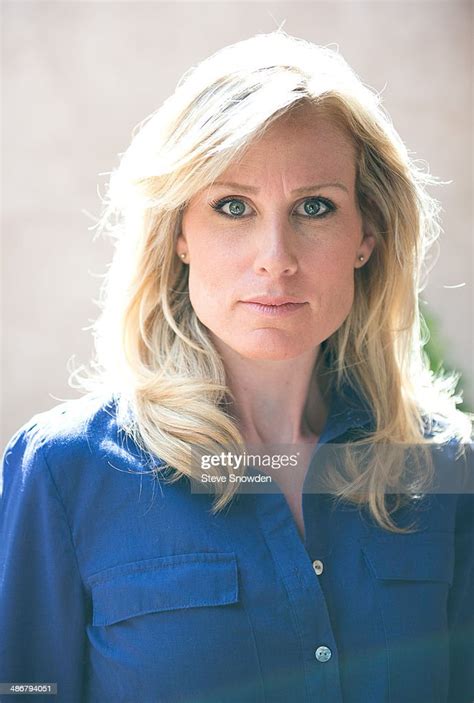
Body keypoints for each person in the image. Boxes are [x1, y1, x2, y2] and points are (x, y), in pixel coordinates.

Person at [0, 31, 472, 703]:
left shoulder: (446, 468)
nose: (275, 257)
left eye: (315, 207)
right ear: (180, 233)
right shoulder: (65, 472)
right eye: (232, 206)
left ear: (367, 234)